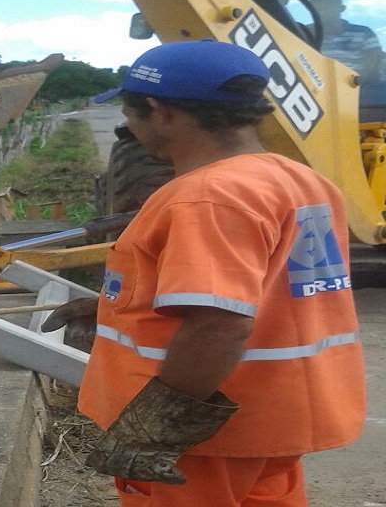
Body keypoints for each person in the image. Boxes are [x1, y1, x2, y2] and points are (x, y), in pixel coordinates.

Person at [42, 40, 367, 506]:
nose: (128, 127)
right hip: (273, 415)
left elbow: (219, 323)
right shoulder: (299, 180)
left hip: (206, 430)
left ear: (158, 109)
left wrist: (155, 431)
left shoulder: (207, 196)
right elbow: (267, 288)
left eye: (130, 114)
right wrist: (114, 308)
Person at [310, 0, 383, 82]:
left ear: (342, 8)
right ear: (312, 10)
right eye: (320, 8)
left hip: (355, 85)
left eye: (330, 7)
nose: (325, 11)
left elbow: (375, 59)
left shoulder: (364, 32)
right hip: (310, 84)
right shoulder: (303, 33)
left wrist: (357, 81)